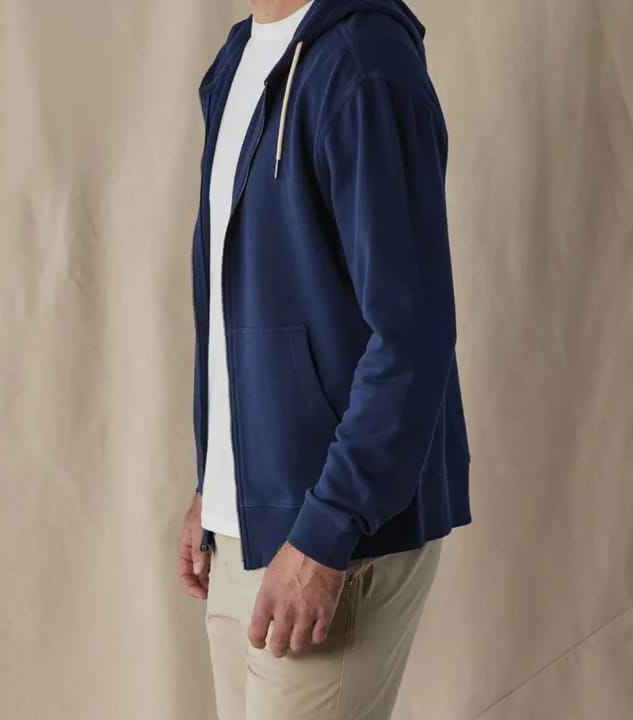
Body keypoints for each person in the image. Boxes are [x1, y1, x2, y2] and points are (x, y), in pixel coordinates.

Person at [178, 0, 472, 717]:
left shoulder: (364, 65)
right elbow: (250, 297)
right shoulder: (241, 57)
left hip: (332, 531)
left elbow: (411, 334)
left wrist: (327, 529)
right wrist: (217, 481)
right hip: (248, 514)